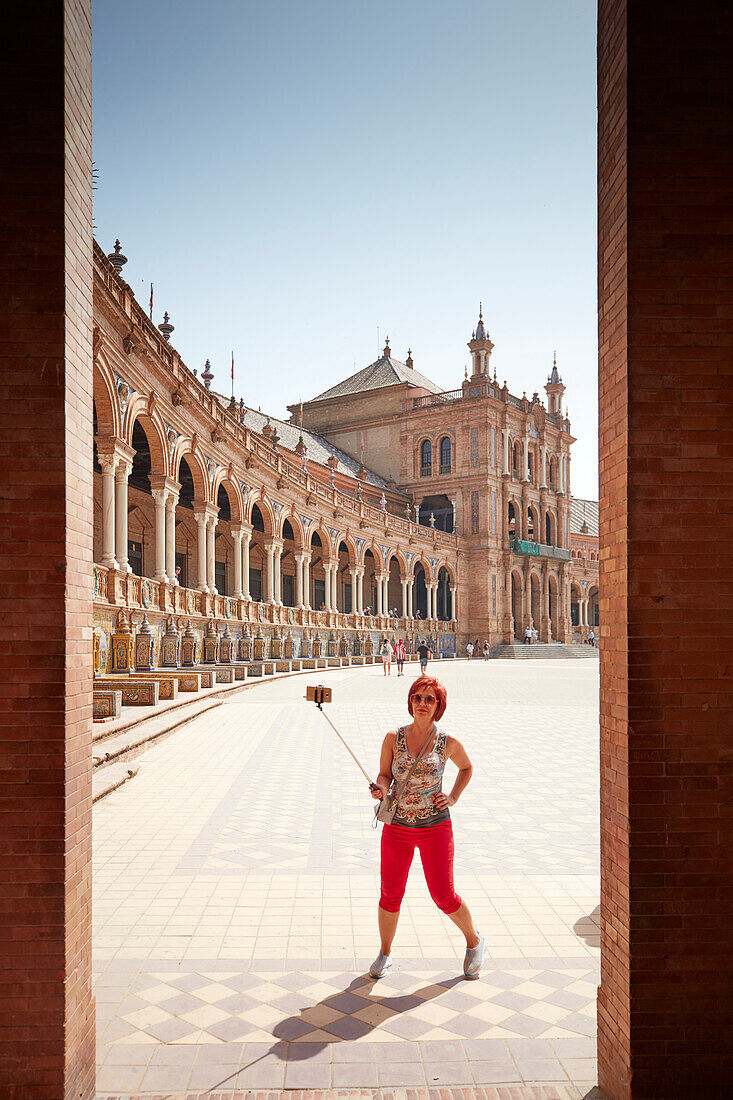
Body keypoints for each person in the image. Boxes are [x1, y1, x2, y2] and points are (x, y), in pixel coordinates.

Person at [369, 675, 486, 979]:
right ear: (410, 702)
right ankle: (384, 953)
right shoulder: (393, 738)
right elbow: (384, 775)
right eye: (417, 697)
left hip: (435, 827)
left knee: (443, 895)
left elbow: (467, 767)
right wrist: (380, 788)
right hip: (398, 827)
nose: (422, 704)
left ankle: (475, 941)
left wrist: (453, 797)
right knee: (390, 893)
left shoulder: (447, 742)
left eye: (429, 699)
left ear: (439, 706)